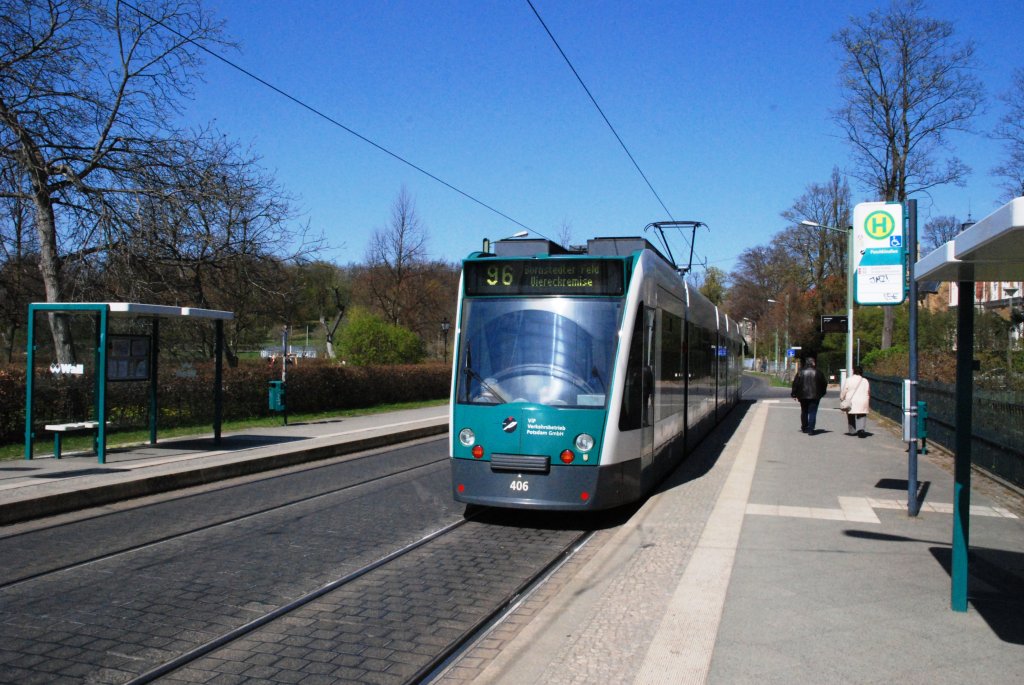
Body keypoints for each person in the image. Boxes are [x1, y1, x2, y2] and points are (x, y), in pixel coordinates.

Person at [791, 356, 827, 434]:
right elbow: (824, 383)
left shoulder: (800, 372)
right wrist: (822, 393)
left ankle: (804, 427)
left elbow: (795, 384)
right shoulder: (818, 372)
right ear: (813, 363)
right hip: (815, 396)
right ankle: (811, 429)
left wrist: (794, 394)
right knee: (813, 412)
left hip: (802, 395)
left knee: (804, 411)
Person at [840, 365, 871, 437]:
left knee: (851, 415)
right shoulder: (865, 380)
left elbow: (845, 390)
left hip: (852, 401)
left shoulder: (849, 380)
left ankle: (852, 431)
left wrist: (842, 398)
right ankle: (861, 429)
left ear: (853, 371)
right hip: (863, 400)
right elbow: (868, 391)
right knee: (862, 415)